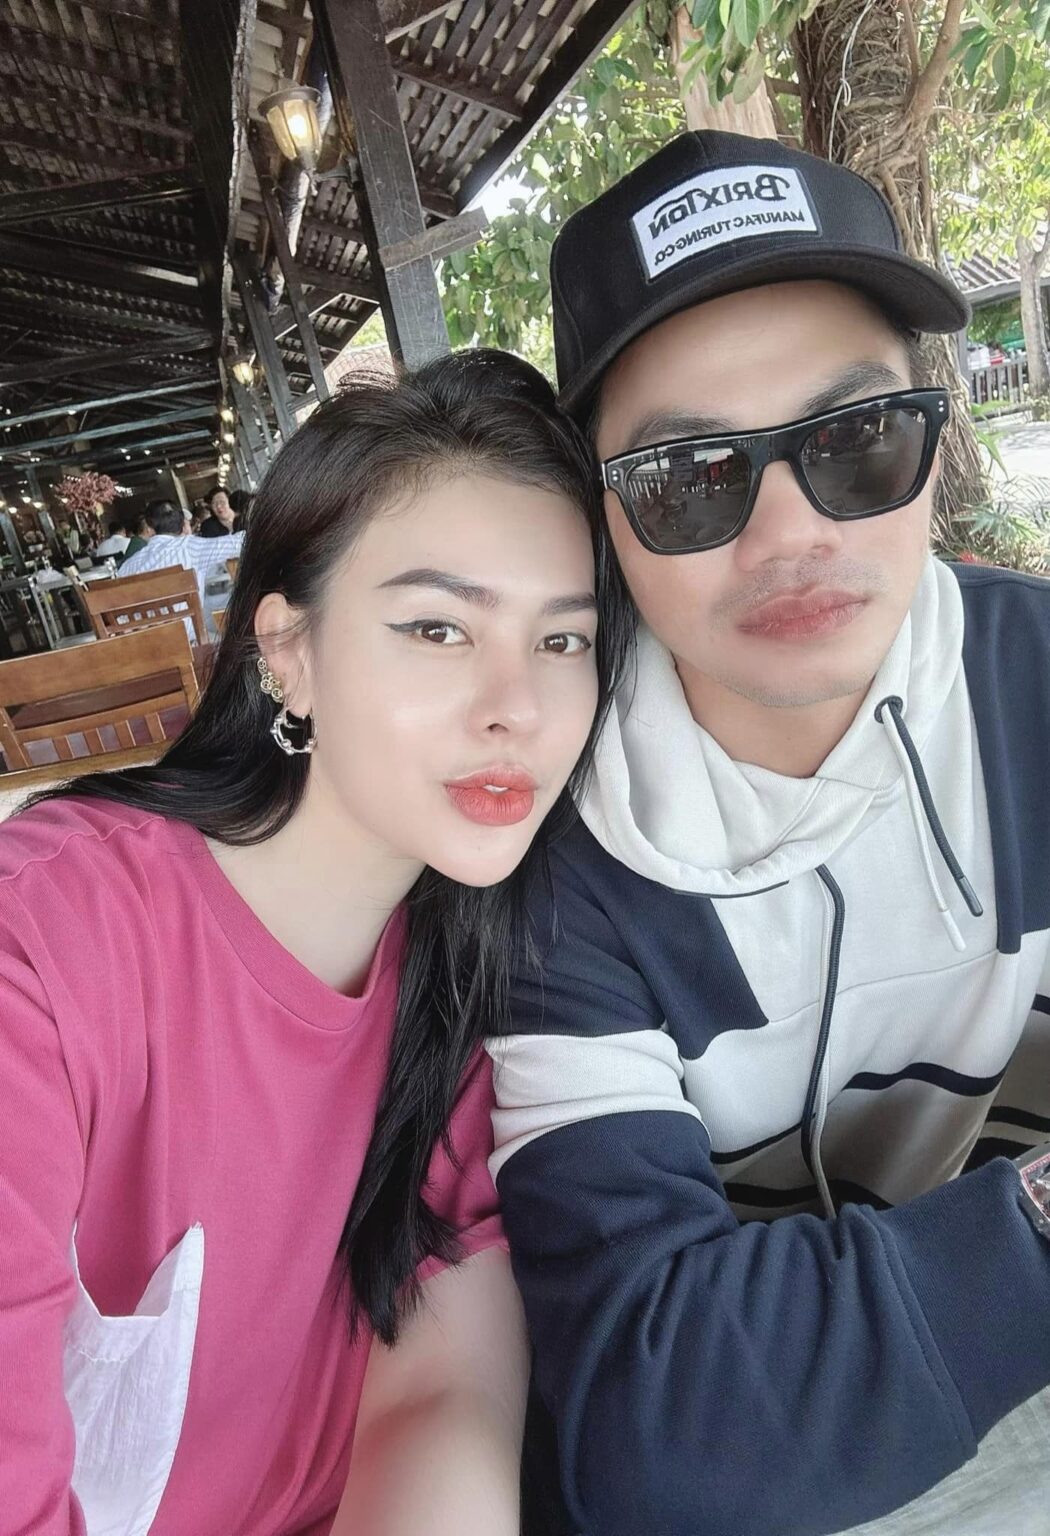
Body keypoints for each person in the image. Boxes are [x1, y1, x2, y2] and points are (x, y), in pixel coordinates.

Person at [488, 132, 1050, 1536]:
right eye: (688, 475)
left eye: (857, 439)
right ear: (596, 517)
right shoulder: (545, 861)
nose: (790, 534)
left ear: (935, 436)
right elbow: (663, 1428)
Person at [0, 350, 630, 1535]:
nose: (519, 706)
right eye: (438, 628)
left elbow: (439, 1397)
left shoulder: (469, 987)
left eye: (563, 641)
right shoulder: (45, 954)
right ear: (287, 651)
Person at [119, 497, 242, 604]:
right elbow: (241, 542)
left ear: (150, 528)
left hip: (144, 625)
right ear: (183, 525)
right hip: (188, 625)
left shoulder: (127, 567)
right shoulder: (190, 548)